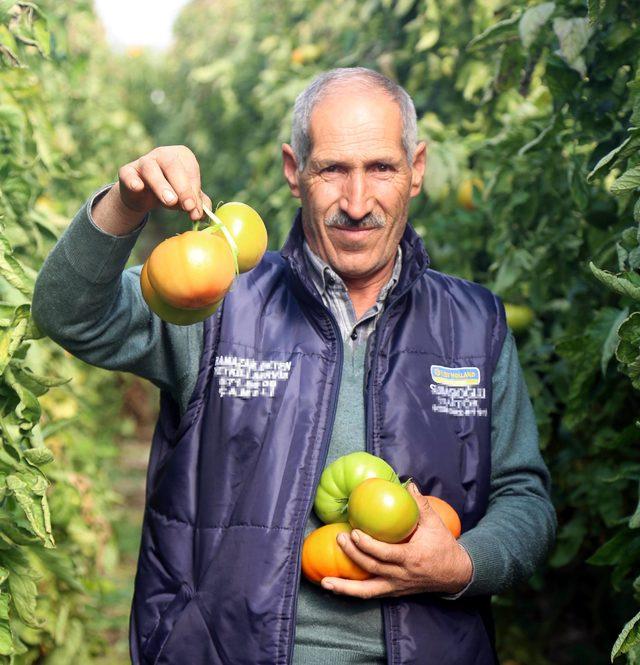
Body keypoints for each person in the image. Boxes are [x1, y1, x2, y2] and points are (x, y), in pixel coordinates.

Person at [32, 67, 556, 665]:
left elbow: (524, 498)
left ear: (417, 169)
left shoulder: (475, 322)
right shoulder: (217, 298)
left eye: (381, 168)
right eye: (333, 169)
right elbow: (68, 315)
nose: (357, 204)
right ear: (293, 171)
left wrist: (461, 564)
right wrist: (126, 204)